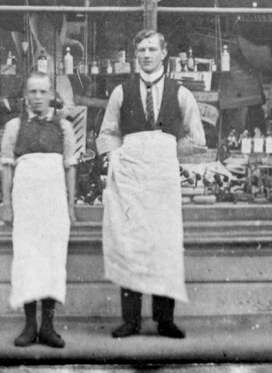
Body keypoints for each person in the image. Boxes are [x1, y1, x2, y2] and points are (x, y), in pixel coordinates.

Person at [97, 27, 205, 340]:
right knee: (129, 243)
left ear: (164, 53)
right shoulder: (121, 92)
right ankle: (130, 321)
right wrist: (120, 159)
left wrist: (165, 151)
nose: (146, 55)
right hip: (129, 178)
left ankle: (164, 320)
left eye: (152, 49)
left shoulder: (180, 93)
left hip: (162, 178)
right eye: (141, 50)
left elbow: (198, 138)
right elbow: (107, 133)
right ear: (135, 55)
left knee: (164, 244)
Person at [0, 72, 78, 349]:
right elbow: (7, 168)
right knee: (27, 260)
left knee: (52, 260)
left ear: (52, 95)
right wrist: (7, 206)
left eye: (43, 92)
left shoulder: (64, 127)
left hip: (54, 204)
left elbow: (70, 167)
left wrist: (70, 206)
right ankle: (29, 325)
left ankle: (48, 327)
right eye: (32, 92)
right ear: (25, 96)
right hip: (26, 204)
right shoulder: (14, 126)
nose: (37, 97)